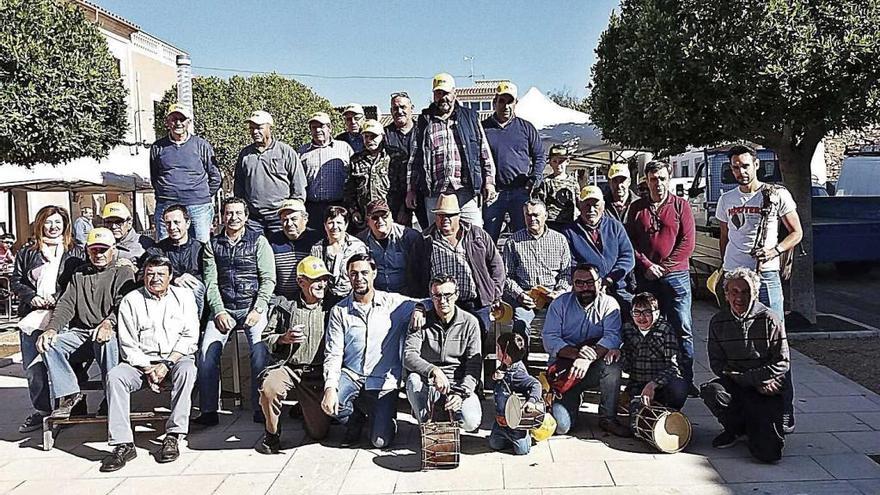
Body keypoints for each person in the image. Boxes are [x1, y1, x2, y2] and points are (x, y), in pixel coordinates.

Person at [715, 144, 803, 433]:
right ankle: (742, 407)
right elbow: (725, 237)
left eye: (744, 165)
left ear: (756, 165)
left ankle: (785, 408)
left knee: (777, 343)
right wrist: (723, 270)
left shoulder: (776, 194)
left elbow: (796, 232)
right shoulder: (726, 199)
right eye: (735, 167)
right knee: (735, 341)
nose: (740, 171)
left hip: (765, 277)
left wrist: (775, 250)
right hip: (733, 276)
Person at [100, 255, 199, 472]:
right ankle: (122, 443)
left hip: (175, 358)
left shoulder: (184, 297)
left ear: (170, 277)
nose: (155, 278)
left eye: (161, 274)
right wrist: (148, 368)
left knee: (188, 370)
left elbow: (190, 337)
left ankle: (173, 435)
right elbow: (128, 344)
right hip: (140, 362)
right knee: (115, 376)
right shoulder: (130, 301)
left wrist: (166, 364)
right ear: (143, 276)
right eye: (150, 274)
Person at [321, 253, 425, 449]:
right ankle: (355, 420)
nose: (359, 278)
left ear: (374, 273)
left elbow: (427, 302)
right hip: (352, 374)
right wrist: (329, 388)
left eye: (364, 273)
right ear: (348, 276)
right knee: (332, 406)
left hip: (383, 379)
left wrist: (419, 308)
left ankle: (385, 420)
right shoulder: (339, 311)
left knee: (380, 442)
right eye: (353, 274)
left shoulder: (393, 303)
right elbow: (333, 353)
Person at [36, 227, 135, 419]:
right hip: (81, 333)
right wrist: (51, 330)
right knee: (49, 345)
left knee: (106, 340)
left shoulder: (123, 271)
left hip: (110, 332)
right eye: (94, 249)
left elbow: (123, 304)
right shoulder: (79, 274)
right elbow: (66, 304)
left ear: (113, 249)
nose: (99, 254)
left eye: (103, 249)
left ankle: (111, 396)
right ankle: (70, 393)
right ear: (87, 250)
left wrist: (109, 323)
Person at [196, 197, 276, 426]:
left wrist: (259, 308)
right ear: (222, 216)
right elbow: (210, 283)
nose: (234, 217)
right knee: (206, 353)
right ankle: (209, 410)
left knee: (260, 352)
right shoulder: (212, 245)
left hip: (253, 307)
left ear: (246, 216)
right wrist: (219, 311)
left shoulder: (259, 242)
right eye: (229, 213)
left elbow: (268, 279)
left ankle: (261, 406)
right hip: (224, 309)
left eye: (238, 213)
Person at [701, 268, 789, 463]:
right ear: (726, 294)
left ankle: (758, 427)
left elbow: (782, 362)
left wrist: (756, 380)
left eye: (745, 291)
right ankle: (735, 429)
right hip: (738, 383)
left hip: (765, 388)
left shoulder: (770, 319)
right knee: (712, 391)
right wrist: (747, 380)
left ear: (755, 294)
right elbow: (717, 364)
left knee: (768, 455)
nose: (739, 297)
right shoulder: (718, 322)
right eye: (734, 291)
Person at [11, 205, 85, 432]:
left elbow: (79, 280)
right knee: (34, 367)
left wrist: (58, 298)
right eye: (48, 222)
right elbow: (16, 280)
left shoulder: (75, 251)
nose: (53, 227)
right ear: (40, 224)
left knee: (66, 363)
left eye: (58, 222)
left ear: (65, 225)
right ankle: (42, 409)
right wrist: (30, 296)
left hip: (64, 315)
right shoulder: (28, 251)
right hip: (33, 316)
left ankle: (68, 406)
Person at [625, 160, 697, 394]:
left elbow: (687, 243)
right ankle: (652, 377)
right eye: (653, 179)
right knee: (649, 327)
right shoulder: (637, 209)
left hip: (676, 277)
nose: (658, 184)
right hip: (647, 277)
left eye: (662, 178)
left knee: (681, 327)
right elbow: (630, 242)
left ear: (669, 177)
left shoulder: (680, 206)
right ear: (646, 180)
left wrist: (663, 267)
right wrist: (646, 264)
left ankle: (685, 378)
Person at [541, 263, 629, 437]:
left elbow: (613, 336)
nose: (585, 288)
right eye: (579, 283)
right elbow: (550, 338)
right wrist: (577, 355)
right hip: (564, 370)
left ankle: (608, 417)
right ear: (572, 284)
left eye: (590, 282)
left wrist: (589, 358)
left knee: (613, 366)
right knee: (561, 427)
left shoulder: (610, 304)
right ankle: (571, 402)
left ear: (599, 282)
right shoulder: (559, 304)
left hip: (594, 366)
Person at [256, 256, 333, 454]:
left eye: (324, 279)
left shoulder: (333, 307)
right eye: (316, 279)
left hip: (318, 374)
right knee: (269, 388)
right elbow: (267, 336)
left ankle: (304, 408)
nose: (322, 284)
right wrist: (283, 338)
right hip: (289, 367)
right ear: (301, 282)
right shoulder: (285, 306)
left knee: (318, 433)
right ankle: (271, 434)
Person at [406, 73, 497, 227]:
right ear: (434, 95)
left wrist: (489, 182)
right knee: (436, 238)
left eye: (446, 93)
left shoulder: (470, 118)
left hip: (465, 190)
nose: (443, 98)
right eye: (439, 93)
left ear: (454, 93)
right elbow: (414, 160)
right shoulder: (424, 121)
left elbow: (484, 152)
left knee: (475, 235)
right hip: (435, 192)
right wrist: (411, 189)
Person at [411, 193, 505, 337]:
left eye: (449, 215)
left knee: (478, 344)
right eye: (441, 215)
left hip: (476, 302)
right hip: (441, 304)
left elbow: (496, 265)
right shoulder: (425, 240)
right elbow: (415, 274)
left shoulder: (477, 235)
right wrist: (421, 303)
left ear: (459, 216)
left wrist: (494, 294)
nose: (445, 220)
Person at [405, 275, 483, 433]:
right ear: (431, 296)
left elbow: (474, 364)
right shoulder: (421, 320)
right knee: (413, 380)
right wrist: (433, 370)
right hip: (429, 381)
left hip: (457, 383)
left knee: (471, 422)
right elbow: (409, 355)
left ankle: (450, 416)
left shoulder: (470, 322)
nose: (443, 300)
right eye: (437, 295)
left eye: (448, 295)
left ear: (456, 295)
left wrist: (461, 393)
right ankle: (426, 425)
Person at [502, 199, 571, 350]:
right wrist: (520, 295)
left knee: (567, 323)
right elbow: (506, 277)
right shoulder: (512, 242)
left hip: (553, 295)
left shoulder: (560, 240)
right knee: (520, 325)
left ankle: (559, 363)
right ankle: (520, 366)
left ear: (545, 216)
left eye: (536, 215)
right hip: (527, 295)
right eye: (528, 215)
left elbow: (566, 273)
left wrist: (559, 292)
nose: (532, 219)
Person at [481, 81, 544, 241]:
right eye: (502, 101)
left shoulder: (526, 128)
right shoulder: (482, 129)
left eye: (510, 101)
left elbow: (540, 156)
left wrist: (534, 179)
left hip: (521, 193)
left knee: (523, 239)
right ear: (494, 102)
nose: (506, 106)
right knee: (488, 239)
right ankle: (489, 267)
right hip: (494, 194)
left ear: (515, 103)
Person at [150, 103, 222, 242]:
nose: (178, 123)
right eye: (174, 119)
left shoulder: (202, 145)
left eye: (182, 119)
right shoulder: (157, 147)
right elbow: (155, 176)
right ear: (167, 122)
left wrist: (202, 195)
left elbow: (215, 176)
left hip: (198, 207)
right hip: (167, 205)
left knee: (201, 248)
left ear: (188, 122)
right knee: (164, 250)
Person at [562, 186, 635, 314]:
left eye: (596, 205)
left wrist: (610, 279)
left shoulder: (615, 226)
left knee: (634, 313)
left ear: (603, 206)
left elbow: (628, 256)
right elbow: (571, 265)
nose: (591, 209)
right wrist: (592, 283)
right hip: (586, 292)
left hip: (618, 287)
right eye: (587, 205)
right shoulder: (569, 233)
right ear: (579, 205)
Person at [233, 110, 307, 234]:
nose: (255, 132)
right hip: (253, 220)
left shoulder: (286, 151)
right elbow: (239, 186)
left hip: (280, 219)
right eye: (252, 128)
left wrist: (290, 213)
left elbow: (298, 186)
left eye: (259, 128)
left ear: (269, 127)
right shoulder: (245, 154)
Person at [619, 292, 688, 424]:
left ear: (657, 312)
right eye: (637, 312)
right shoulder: (628, 329)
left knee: (679, 387)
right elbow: (625, 362)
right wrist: (618, 352)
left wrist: (654, 384)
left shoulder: (665, 330)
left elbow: (674, 368)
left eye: (647, 312)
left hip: (661, 385)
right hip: (637, 384)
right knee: (638, 423)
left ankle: (671, 411)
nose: (642, 317)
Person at [344, 119, 406, 232]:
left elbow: (405, 186)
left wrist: (404, 210)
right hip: (365, 217)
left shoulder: (396, 155)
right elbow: (349, 190)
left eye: (373, 136)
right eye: (366, 136)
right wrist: (354, 211)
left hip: (392, 215)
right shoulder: (355, 160)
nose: (369, 140)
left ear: (382, 136)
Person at [146, 204, 207, 316]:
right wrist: (174, 279)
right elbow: (146, 274)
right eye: (168, 223)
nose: (172, 227)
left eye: (177, 222)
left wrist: (193, 278)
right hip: (166, 294)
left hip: (194, 296)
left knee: (193, 287)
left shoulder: (201, 249)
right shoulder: (158, 250)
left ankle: (193, 328)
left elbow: (210, 275)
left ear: (187, 224)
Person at [299, 112, 354, 230]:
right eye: (314, 127)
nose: (318, 130)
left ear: (330, 128)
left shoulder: (344, 148)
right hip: (312, 208)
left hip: (339, 205)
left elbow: (354, 177)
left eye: (322, 126)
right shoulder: (302, 152)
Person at [489, 332, 542, 455]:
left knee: (522, 451)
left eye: (498, 349)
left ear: (506, 356)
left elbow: (536, 384)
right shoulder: (504, 366)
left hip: (515, 424)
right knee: (494, 444)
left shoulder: (518, 373)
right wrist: (494, 378)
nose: (495, 350)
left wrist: (531, 401)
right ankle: (504, 436)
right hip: (501, 421)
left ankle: (525, 435)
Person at [356, 199, 421, 295]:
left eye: (384, 216)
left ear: (391, 217)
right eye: (375, 217)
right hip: (376, 296)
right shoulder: (360, 241)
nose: (380, 221)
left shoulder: (409, 236)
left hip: (406, 295)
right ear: (368, 222)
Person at [309, 206, 367, 307]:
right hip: (325, 300)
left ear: (346, 225)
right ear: (325, 225)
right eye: (331, 223)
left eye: (339, 223)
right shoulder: (317, 249)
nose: (335, 227)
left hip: (352, 298)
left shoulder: (357, 247)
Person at [384, 91, 426, 227]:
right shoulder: (384, 135)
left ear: (412, 109)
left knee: (429, 232)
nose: (399, 111)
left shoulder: (423, 132)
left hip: (423, 192)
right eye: (395, 108)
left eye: (403, 107)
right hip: (395, 197)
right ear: (391, 111)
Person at [268, 199, 322, 300]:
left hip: (309, 299)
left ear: (305, 219)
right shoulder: (273, 241)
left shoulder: (316, 240)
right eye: (285, 220)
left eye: (294, 219)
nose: (289, 224)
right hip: (280, 299)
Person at [535, 145, 580, 230]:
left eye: (561, 161)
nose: (558, 165)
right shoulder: (546, 182)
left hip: (569, 223)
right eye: (555, 161)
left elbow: (578, 202)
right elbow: (540, 204)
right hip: (551, 223)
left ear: (567, 161)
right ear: (550, 163)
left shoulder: (573, 182)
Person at [101, 202, 153, 268]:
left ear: (129, 223)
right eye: (109, 222)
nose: (113, 226)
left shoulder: (144, 243)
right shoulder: (98, 242)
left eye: (119, 222)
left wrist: (134, 269)